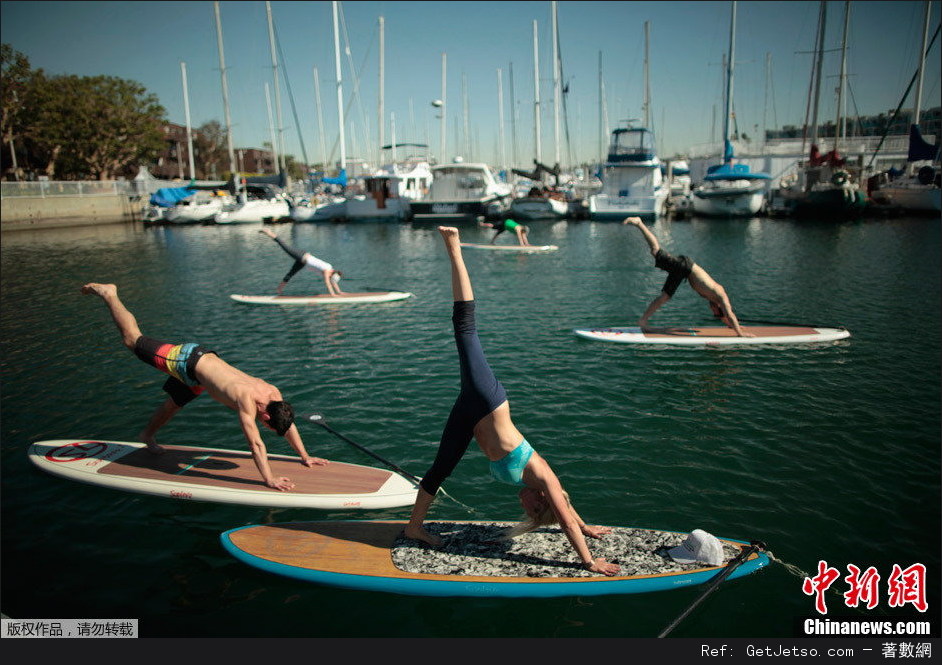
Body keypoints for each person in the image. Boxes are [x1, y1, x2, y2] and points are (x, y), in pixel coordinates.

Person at [404, 227, 620, 577]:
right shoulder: (541, 476)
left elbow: (566, 505)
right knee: (465, 328)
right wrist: (588, 559)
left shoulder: (543, 488)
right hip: (487, 401)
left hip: (469, 417)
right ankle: (454, 247)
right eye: (533, 511)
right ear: (540, 501)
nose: (525, 509)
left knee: (440, 469)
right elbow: (562, 514)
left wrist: (586, 526)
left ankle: (414, 527)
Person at [80, 282, 328, 491]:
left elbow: (287, 424)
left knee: (172, 406)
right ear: (264, 415)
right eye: (265, 425)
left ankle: (147, 435)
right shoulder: (247, 401)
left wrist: (305, 457)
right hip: (185, 360)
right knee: (132, 339)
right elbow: (256, 444)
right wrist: (268, 479)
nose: (264, 427)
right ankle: (109, 293)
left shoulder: (274, 395)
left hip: (199, 378)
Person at [622, 217, 753, 337]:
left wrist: (731, 326)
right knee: (655, 251)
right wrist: (740, 333)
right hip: (684, 266)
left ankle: (643, 321)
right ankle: (639, 223)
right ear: (718, 308)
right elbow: (729, 314)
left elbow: (725, 317)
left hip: (683, 271)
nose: (711, 310)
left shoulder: (713, 299)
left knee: (664, 297)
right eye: (714, 311)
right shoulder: (720, 295)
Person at [259, 227, 345, 296]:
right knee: (284, 246)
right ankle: (268, 232)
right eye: (330, 278)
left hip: (302, 262)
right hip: (301, 256)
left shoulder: (331, 272)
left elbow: (332, 282)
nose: (329, 279)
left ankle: (279, 290)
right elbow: (328, 283)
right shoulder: (327, 270)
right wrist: (332, 294)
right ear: (332, 274)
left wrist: (339, 292)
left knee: (290, 274)